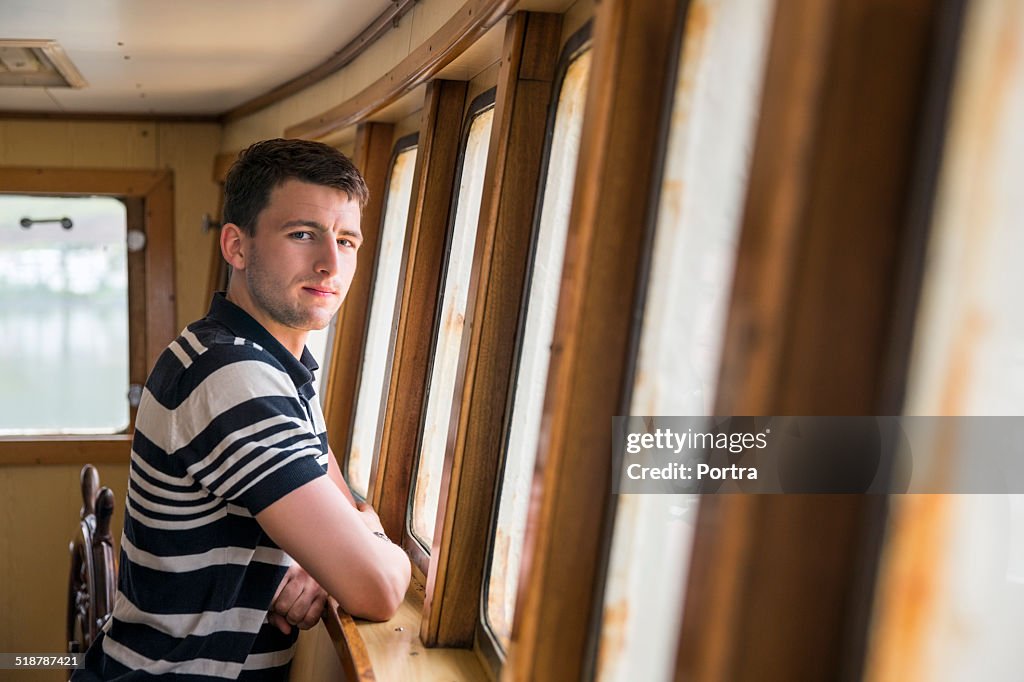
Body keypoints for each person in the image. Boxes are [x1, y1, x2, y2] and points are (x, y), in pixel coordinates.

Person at [76, 139, 411, 680]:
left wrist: (322, 559)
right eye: (302, 234)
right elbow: (378, 587)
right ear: (236, 246)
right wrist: (369, 532)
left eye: (346, 240)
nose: (330, 262)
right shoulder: (232, 376)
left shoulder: (272, 362)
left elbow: (334, 510)